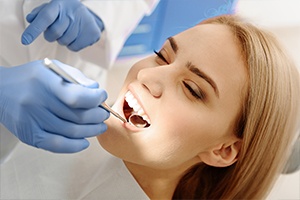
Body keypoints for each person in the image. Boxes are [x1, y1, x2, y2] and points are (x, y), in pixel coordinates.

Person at [1, 15, 299, 199]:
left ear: (223, 150)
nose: (146, 75)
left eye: (192, 89)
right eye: (162, 56)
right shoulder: (58, 106)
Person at [0, 0, 159, 158]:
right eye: (163, 57)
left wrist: (100, 11)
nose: (145, 74)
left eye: (186, 86)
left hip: (80, 65)